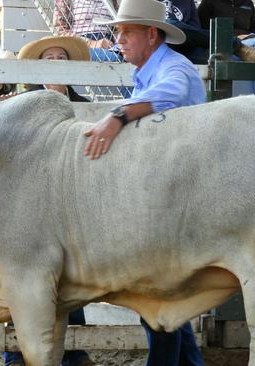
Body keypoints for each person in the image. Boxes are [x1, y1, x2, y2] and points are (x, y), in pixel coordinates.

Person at [85, 0, 206, 363]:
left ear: (151, 34)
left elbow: (168, 95)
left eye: (126, 32)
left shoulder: (174, 69)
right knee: (158, 294)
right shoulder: (149, 71)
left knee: (157, 294)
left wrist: (117, 116)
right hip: (163, 192)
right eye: (117, 31)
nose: (117, 39)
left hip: (179, 195)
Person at [1, 35, 98, 366]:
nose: (56, 61)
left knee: (72, 274)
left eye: (62, 56)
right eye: (49, 56)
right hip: (29, 202)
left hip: (74, 199)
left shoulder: (86, 104)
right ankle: (15, 352)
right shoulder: (19, 103)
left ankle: (74, 349)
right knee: (24, 274)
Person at [159, 0, 255, 64]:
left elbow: (196, 31)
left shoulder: (187, 2)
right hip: (160, 47)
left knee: (225, 58)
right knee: (169, 25)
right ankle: (233, 44)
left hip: (185, 49)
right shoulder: (150, 2)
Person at [53, 0, 123, 63]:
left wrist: (118, 44)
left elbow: (118, 28)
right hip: (81, 44)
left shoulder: (111, 1)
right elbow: (60, 30)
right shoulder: (66, 1)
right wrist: (91, 43)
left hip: (109, 44)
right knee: (114, 58)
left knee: (124, 57)